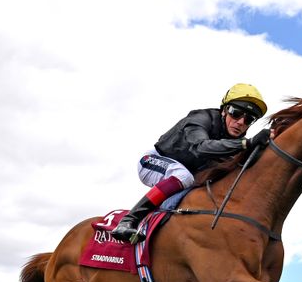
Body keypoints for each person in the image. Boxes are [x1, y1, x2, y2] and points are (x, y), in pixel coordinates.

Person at [110, 83, 272, 243]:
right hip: (151, 162)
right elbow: (200, 147)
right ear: (224, 110)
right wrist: (246, 143)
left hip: (184, 175)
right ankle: (128, 220)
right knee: (184, 175)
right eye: (236, 113)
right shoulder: (200, 118)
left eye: (249, 119)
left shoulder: (237, 141)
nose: (241, 122)